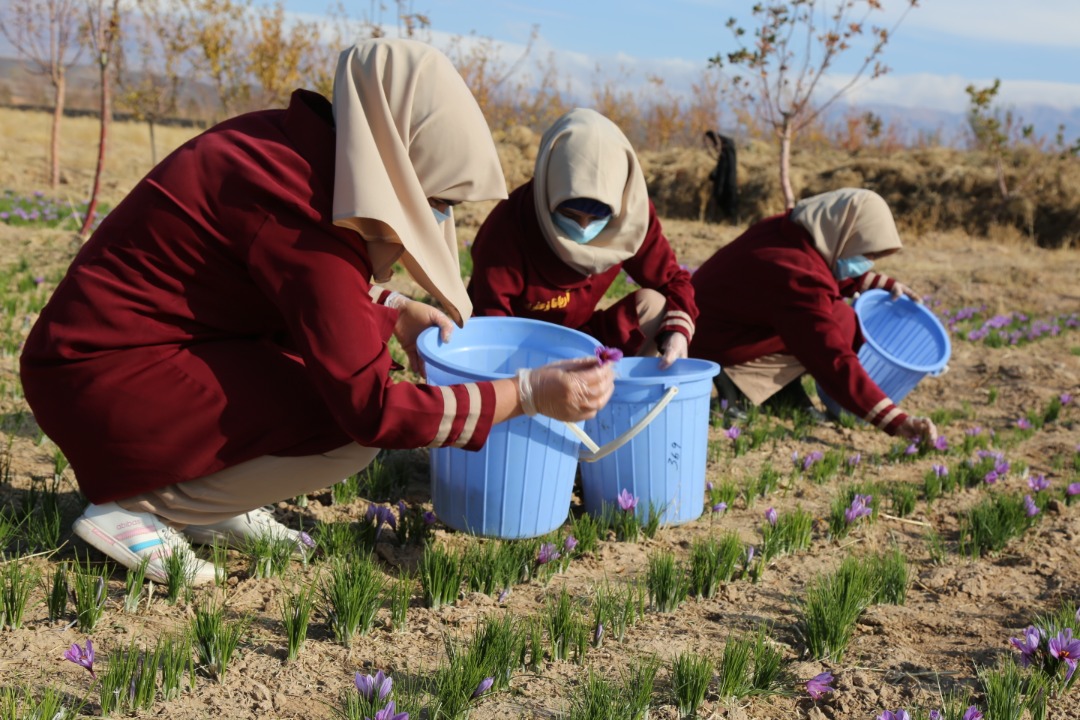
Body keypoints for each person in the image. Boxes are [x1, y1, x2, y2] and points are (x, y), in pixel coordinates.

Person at [19, 39, 614, 585]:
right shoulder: (302, 210)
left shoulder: (297, 158)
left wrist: (396, 308)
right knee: (343, 432)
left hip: (117, 357)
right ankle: (140, 505)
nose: (432, 217)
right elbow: (373, 410)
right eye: (432, 199)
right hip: (102, 376)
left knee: (308, 380)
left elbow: (293, 295)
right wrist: (527, 394)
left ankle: (208, 501)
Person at [689, 188, 937, 441]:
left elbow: (821, 268)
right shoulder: (798, 274)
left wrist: (879, 283)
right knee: (832, 328)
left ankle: (780, 389)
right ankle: (735, 383)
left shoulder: (790, 230)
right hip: (713, 343)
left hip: (713, 322)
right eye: (867, 254)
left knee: (838, 315)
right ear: (845, 233)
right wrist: (895, 420)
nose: (868, 262)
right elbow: (832, 359)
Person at [467, 108, 698, 369]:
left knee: (654, 306)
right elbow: (491, 322)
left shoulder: (631, 218)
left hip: (581, 341)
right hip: (517, 352)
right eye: (570, 214)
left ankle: (620, 400)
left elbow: (673, 280)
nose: (584, 228)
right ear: (548, 192)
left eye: (599, 218)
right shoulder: (510, 226)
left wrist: (677, 332)